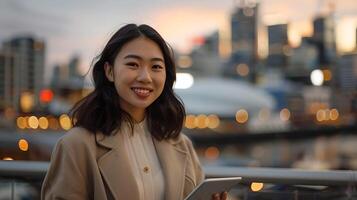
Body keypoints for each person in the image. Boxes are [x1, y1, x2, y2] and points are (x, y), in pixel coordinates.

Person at [41, 24, 227, 200]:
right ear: (109, 71)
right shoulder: (76, 145)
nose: (145, 77)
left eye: (156, 67)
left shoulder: (181, 144)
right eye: (133, 64)